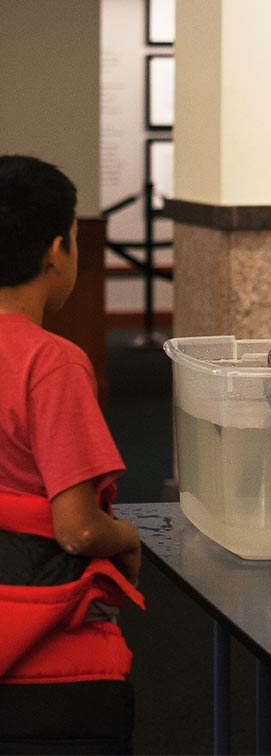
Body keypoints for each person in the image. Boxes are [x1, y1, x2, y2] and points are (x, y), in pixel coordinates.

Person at [0, 155, 144, 755]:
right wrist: (130, 539)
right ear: (57, 252)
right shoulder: (50, 362)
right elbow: (79, 530)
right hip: (35, 638)